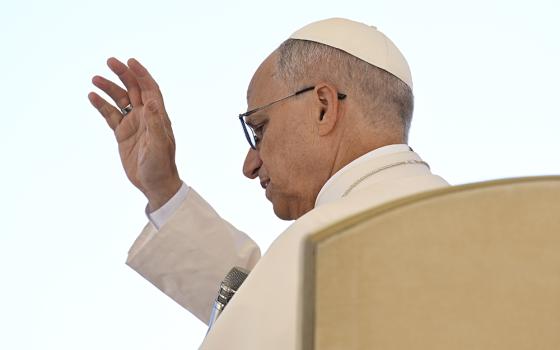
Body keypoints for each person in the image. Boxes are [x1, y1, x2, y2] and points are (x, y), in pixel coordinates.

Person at [89, 18, 449, 349]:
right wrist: (163, 190)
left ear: (323, 107)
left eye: (259, 129)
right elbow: (265, 303)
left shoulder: (328, 242)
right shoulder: (470, 226)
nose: (250, 165)